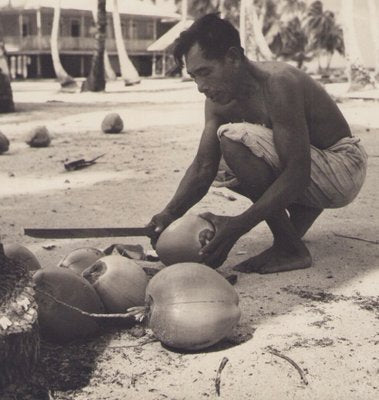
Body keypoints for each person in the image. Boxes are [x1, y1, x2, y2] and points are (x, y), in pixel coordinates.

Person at [147, 13, 367, 274]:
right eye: (194, 76)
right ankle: (300, 215)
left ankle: (291, 249)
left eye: (205, 72)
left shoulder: (278, 83)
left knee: (233, 140)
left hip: (342, 167)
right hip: (310, 167)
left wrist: (237, 227)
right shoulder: (218, 100)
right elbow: (203, 168)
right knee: (218, 162)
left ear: (233, 57)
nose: (200, 86)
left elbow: (298, 174)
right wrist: (169, 214)